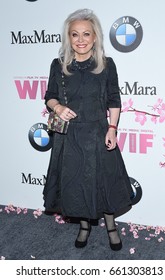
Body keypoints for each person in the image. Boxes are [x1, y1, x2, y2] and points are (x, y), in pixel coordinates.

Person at [43, 8, 133, 251]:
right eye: (75, 34)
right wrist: (58, 106)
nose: (80, 40)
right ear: (68, 38)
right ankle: (84, 226)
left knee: (104, 183)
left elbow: (114, 100)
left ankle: (111, 226)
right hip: (70, 136)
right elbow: (49, 97)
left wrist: (112, 128)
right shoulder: (58, 65)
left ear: (95, 37)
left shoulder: (106, 65)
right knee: (76, 185)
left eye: (86, 34)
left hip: (98, 133)